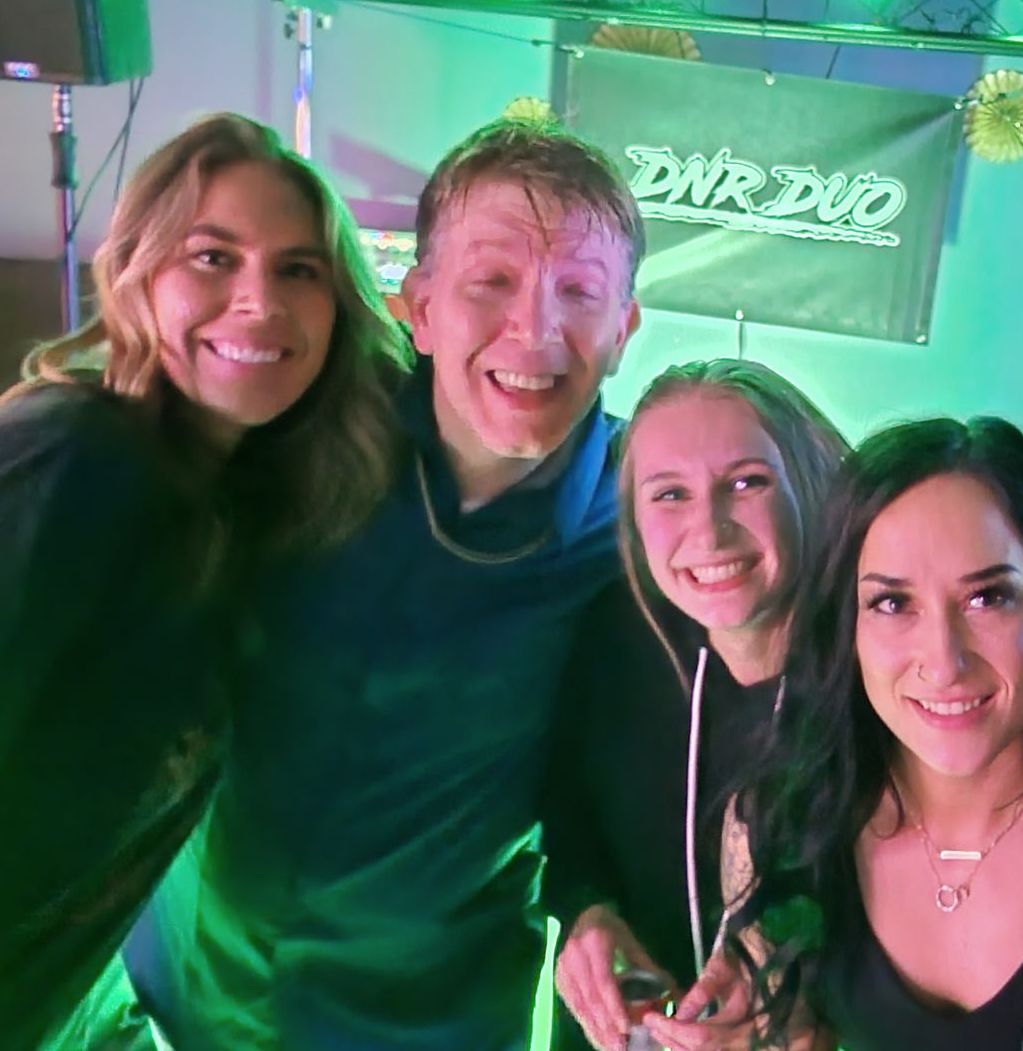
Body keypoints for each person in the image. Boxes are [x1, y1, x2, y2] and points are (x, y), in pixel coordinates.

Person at [128, 119, 645, 1050]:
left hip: (430, 1021)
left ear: (623, 331)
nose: (534, 329)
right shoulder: (299, 423)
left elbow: (642, 757)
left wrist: (596, 900)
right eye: (492, 281)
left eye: (578, 290)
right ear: (420, 306)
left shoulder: (650, 523)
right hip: (177, 984)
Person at [0, 112, 408, 1050]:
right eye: (214, 257)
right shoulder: (74, 458)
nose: (260, 300)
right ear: (138, 272)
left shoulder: (217, 514)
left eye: (299, 270)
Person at [649, 417, 1023, 1051]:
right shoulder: (779, 827)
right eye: (893, 604)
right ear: (847, 626)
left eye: (988, 597)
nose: (944, 662)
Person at [544, 359, 848, 1051]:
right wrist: (588, 914)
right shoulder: (614, 639)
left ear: (809, 483)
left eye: (746, 482)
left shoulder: (884, 683)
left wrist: (819, 999)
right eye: (669, 494)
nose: (709, 532)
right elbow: (566, 813)